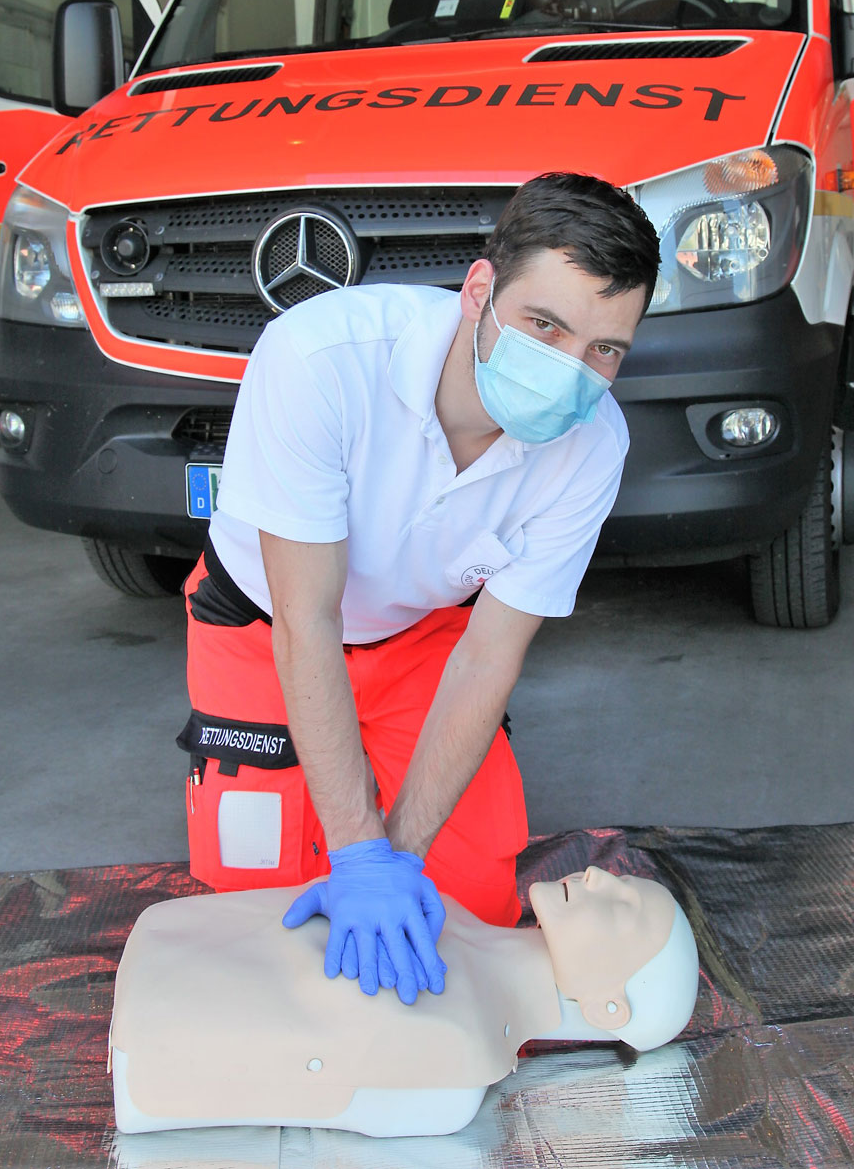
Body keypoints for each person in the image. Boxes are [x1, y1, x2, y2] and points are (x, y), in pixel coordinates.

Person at [178, 172, 660, 1006]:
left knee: (464, 904)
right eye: (545, 325)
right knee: (257, 918)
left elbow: (486, 659)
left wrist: (396, 860)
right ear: (479, 291)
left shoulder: (592, 447)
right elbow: (306, 621)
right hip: (266, 630)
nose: (569, 371)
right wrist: (357, 855)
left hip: (424, 641)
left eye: (604, 350)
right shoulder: (320, 358)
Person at [110, 867, 700, 1137]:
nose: (599, 875)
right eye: (624, 880)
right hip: (172, 961)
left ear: (609, 1009)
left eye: (625, 909)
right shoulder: (455, 918)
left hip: (153, 1035)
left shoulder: (455, 1062)